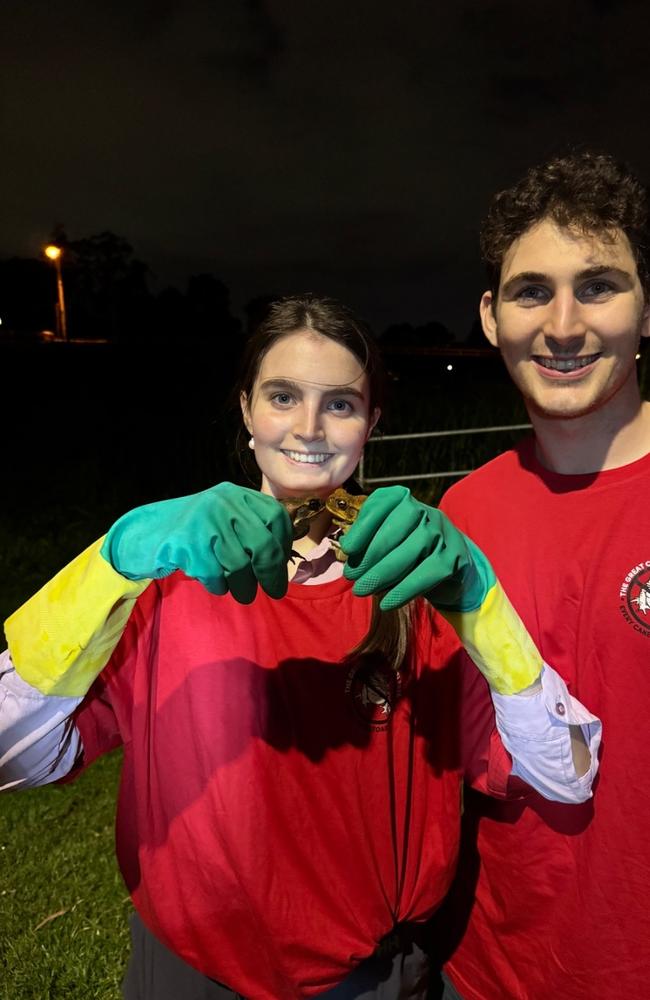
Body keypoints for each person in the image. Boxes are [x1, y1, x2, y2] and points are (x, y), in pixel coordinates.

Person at [0, 296, 598, 1000]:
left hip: (368, 979)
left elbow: (567, 775)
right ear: (247, 410)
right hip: (187, 973)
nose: (309, 429)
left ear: (372, 424)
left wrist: (479, 600)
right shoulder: (162, 580)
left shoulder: (417, 582)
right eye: (283, 397)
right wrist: (113, 560)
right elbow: (14, 755)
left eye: (340, 405)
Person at [434, 151, 650, 1000]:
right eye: (532, 292)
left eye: (599, 286)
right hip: (491, 967)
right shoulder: (463, 514)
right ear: (491, 316)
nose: (564, 325)